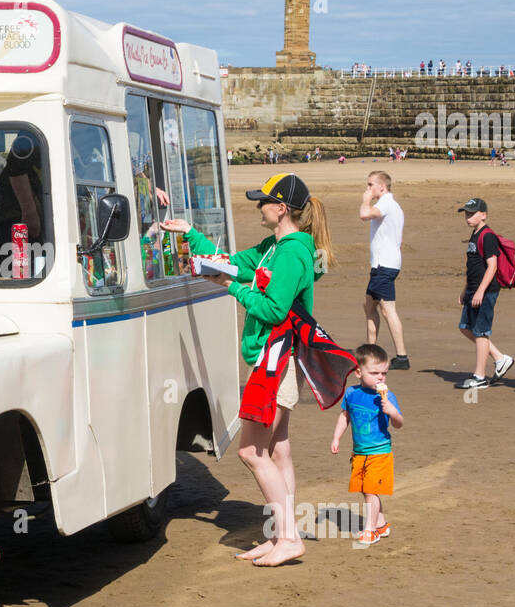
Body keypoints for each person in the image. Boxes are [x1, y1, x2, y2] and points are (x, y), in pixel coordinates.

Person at [162, 173, 336, 567]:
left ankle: (289, 537)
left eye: (264, 201)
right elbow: (230, 264)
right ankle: (281, 534)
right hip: (277, 358)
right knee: (278, 449)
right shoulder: (274, 247)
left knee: (250, 451)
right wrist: (191, 234)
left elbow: (274, 309)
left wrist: (231, 288)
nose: (258, 206)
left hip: (278, 360)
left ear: (282, 209)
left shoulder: (292, 252)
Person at [331, 343, 404, 545]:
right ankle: (380, 524)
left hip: (380, 452)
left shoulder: (388, 397)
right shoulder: (351, 394)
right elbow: (344, 416)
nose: (380, 377)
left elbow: (399, 424)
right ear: (358, 372)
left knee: (371, 491)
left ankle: (370, 530)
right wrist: (337, 437)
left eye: (384, 373)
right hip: (359, 452)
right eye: (374, 373)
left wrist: (392, 412)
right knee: (366, 489)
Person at [455, 198, 514, 388]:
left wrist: (480, 291)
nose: (468, 217)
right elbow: (472, 266)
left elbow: (492, 266)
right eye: (466, 213)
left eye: (472, 213)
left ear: (484, 215)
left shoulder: (487, 236)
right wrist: (466, 290)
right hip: (473, 289)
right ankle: (500, 357)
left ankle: (479, 377)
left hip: (486, 291)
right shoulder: (475, 234)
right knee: (466, 327)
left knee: (481, 332)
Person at [360, 171, 409, 368]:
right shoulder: (393, 206)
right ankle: (371, 349)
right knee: (369, 305)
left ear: (382, 187)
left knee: (388, 310)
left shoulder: (386, 203)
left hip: (385, 266)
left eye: (371, 185)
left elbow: (364, 214)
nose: (368, 188)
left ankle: (402, 357)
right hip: (382, 264)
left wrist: (365, 200)